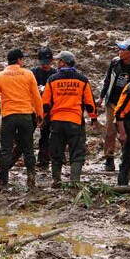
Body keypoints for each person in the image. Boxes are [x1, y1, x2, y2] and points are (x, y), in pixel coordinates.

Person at [0, 49, 44, 189]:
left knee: (5, 149)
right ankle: (31, 180)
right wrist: (39, 114)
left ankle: (3, 182)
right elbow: (36, 96)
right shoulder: (28, 74)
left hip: (9, 117)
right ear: (19, 60)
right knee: (28, 149)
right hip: (26, 116)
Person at [41, 52, 98, 188]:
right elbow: (90, 103)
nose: (57, 63)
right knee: (77, 153)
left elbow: (45, 103)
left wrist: (41, 118)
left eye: (58, 61)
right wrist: (93, 118)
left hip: (57, 121)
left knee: (56, 152)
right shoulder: (82, 80)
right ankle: (75, 182)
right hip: (75, 121)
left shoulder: (52, 79)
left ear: (63, 62)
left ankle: (56, 181)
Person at [100, 39, 130, 171]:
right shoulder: (115, 63)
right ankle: (109, 158)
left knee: (128, 132)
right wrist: (101, 97)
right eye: (120, 49)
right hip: (112, 102)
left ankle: (127, 158)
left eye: (123, 50)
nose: (120, 52)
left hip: (128, 106)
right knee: (110, 131)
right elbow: (107, 80)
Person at [31, 47, 58, 167]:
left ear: (52, 61)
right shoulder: (33, 73)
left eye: (47, 63)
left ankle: (44, 159)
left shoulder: (55, 74)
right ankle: (28, 158)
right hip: (33, 108)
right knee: (27, 134)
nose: (45, 65)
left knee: (46, 135)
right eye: (43, 63)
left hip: (48, 108)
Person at [114, 77, 130, 186]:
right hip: (129, 123)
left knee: (127, 154)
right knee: (128, 152)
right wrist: (122, 133)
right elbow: (119, 113)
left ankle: (122, 184)